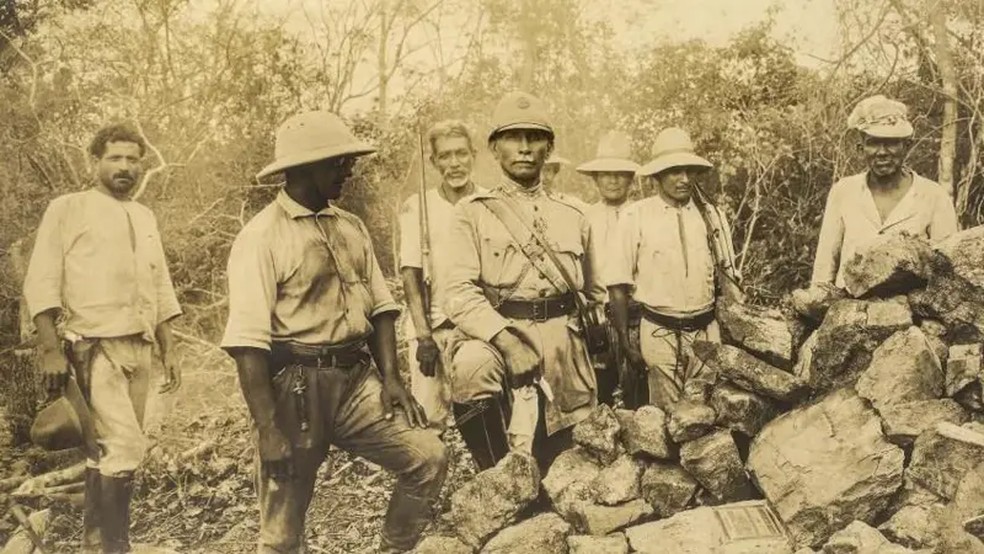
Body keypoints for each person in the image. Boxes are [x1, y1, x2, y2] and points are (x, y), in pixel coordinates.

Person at [221, 111, 446, 553]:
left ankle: (394, 548)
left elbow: (382, 308)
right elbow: (247, 344)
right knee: (282, 532)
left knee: (427, 457)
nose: (349, 170)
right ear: (304, 168)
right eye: (337, 163)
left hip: (357, 381)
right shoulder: (262, 237)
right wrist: (268, 429)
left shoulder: (350, 226)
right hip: (297, 389)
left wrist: (393, 379)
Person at [23, 123, 183, 554]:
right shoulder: (68, 208)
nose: (125, 167)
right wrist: (50, 347)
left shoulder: (143, 215)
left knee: (105, 452)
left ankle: (98, 543)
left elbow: (160, 283)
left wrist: (169, 345)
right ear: (95, 161)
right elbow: (41, 278)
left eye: (133, 159)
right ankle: (115, 546)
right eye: (115, 158)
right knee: (127, 447)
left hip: (141, 346)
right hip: (93, 347)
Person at [444, 91, 604, 474]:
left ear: (549, 148)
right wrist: (505, 342)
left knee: (567, 466)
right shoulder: (472, 213)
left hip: (564, 346)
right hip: (502, 335)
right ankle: (497, 480)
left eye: (535, 138)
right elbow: (457, 293)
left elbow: (593, 292)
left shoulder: (575, 214)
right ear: (495, 148)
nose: (525, 148)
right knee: (470, 367)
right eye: (514, 138)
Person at [608, 127, 739, 410]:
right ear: (657, 175)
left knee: (706, 415)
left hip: (706, 331)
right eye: (673, 171)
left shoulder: (711, 215)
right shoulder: (636, 215)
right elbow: (617, 286)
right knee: (665, 419)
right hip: (658, 332)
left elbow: (729, 276)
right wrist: (626, 343)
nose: (683, 179)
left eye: (688, 171)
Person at [812, 95, 959, 287]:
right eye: (873, 142)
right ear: (861, 147)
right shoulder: (844, 192)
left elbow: (948, 271)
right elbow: (824, 268)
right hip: (848, 310)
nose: (882, 152)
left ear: (906, 146)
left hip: (910, 312)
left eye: (891, 142)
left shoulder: (932, 196)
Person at [399, 120, 485, 432]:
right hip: (432, 330)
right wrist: (423, 336)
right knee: (429, 422)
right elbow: (410, 272)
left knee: (482, 416)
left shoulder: (488, 203)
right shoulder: (417, 206)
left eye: (461, 154)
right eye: (445, 156)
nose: (455, 163)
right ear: (434, 162)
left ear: (473, 155)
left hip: (477, 330)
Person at [574, 130, 640, 406]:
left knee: (639, 389)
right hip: (598, 317)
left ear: (631, 178)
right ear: (596, 178)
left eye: (620, 173)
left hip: (638, 315)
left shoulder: (642, 213)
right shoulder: (584, 218)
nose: (613, 180)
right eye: (606, 173)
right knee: (599, 390)